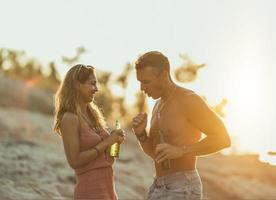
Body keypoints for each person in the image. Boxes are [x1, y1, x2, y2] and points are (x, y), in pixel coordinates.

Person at [132, 51, 231, 200]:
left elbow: (223, 139)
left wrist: (182, 151)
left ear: (163, 75)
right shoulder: (158, 105)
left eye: (146, 82)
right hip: (158, 186)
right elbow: (155, 154)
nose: (142, 88)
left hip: (183, 187)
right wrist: (141, 135)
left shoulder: (189, 100)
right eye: (140, 82)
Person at [53, 64, 125, 200]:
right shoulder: (70, 118)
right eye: (92, 84)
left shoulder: (94, 115)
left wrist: (115, 142)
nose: (96, 89)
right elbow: (74, 161)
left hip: (109, 190)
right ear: (77, 85)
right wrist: (107, 142)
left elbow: (108, 157)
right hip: (90, 192)